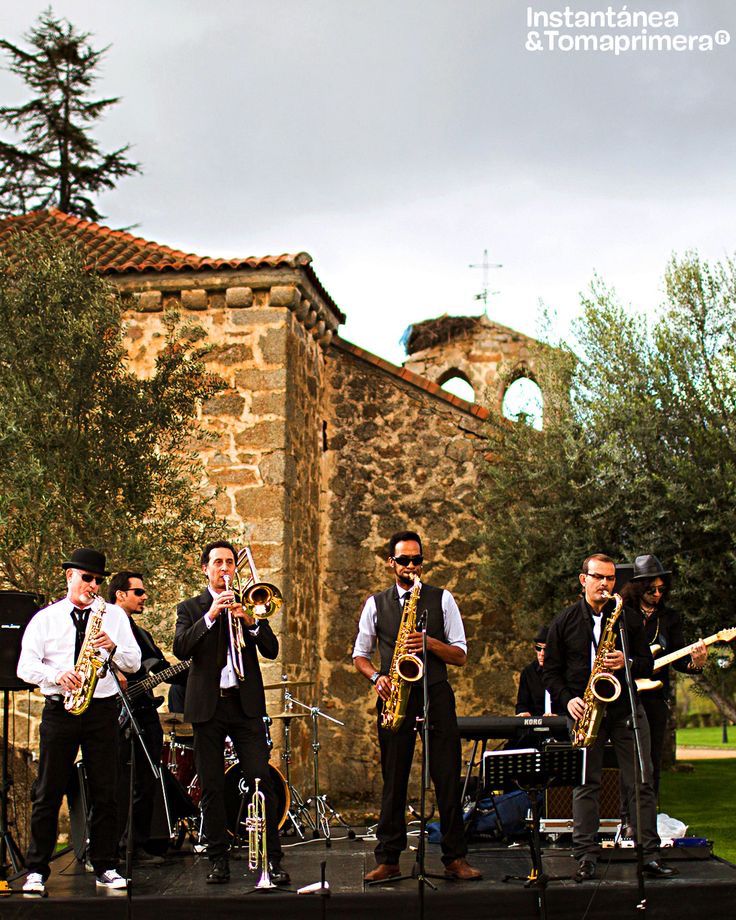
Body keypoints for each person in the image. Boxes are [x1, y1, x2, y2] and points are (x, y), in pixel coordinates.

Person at [353, 530, 482, 882]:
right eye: (405, 560)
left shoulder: (442, 599)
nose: (412, 566)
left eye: (417, 560)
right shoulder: (375, 604)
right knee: (393, 779)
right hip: (394, 695)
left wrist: (428, 643)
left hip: (436, 693)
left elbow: (460, 654)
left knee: (446, 777)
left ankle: (455, 858)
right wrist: (376, 678)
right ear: (390, 563)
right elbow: (359, 655)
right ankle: (389, 858)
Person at [543, 553, 677, 881]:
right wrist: (568, 699)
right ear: (583, 579)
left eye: (611, 578)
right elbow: (550, 672)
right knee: (586, 783)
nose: (605, 584)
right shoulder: (563, 622)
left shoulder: (627, 618)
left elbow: (648, 663)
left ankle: (648, 854)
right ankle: (586, 855)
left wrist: (626, 662)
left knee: (641, 781)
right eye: (599, 577)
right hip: (586, 709)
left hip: (624, 707)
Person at [17, 547, 141, 896]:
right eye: (87, 578)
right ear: (69, 575)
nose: (93, 585)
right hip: (60, 709)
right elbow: (25, 667)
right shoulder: (46, 618)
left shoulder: (113, 616)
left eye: (98, 580)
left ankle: (105, 865)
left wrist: (114, 647)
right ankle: (37, 869)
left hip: (100, 709)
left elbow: (133, 663)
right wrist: (58, 675)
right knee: (48, 790)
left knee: (107, 790)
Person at [172, 540, 288, 885]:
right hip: (208, 706)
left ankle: (272, 860)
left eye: (229, 563)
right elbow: (181, 647)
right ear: (205, 569)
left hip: (244, 705)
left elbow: (271, 649)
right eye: (218, 563)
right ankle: (218, 859)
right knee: (211, 786)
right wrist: (211, 616)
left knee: (261, 780)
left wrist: (250, 621)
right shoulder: (190, 608)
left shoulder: (249, 603)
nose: (225, 568)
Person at [109, 570, 187, 863]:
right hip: (114, 711)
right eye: (139, 592)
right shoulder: (104, 622)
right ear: (121, 594)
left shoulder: (141, 633)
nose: (145, 597)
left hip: (143, 712)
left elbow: (161, 668)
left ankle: (136, 846)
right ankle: (109, 847)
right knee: (116, 780)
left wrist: (197, 670)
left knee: (147, 778)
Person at [621, 555, 707, 796]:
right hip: (624, 695)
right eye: (651, 590)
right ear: (639, 588)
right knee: (625, 758)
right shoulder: (623, 614)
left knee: (652, 759)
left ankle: (650, 816)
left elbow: (680, 660)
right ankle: (625, 816)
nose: (658, 594)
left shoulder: (669, 618)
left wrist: (696, 663)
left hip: (655, 698)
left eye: (661, 589)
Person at [516, 625, 556, 717]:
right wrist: (523, 712)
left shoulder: (565, 671)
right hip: (536, 726)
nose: (541, 654)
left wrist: (558, 716)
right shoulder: (528, 672)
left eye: (545, 649)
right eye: (538, 648)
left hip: (561, 726)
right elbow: (522, 703)